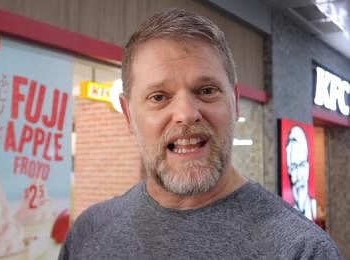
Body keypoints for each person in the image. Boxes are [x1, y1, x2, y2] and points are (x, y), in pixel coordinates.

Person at [59, 9, 342, 259]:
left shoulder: (302, 250)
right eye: (159, 97)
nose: (186, 113)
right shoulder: (88, 234)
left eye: (207, 91)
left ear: (234, 102)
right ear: (129, 115)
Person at [286, 126, 317, 221]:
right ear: (289, 171)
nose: (299, 175)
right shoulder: (286, 213)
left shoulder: (313, 208)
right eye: (294, 167)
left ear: (308, 167)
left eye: (302, 165)